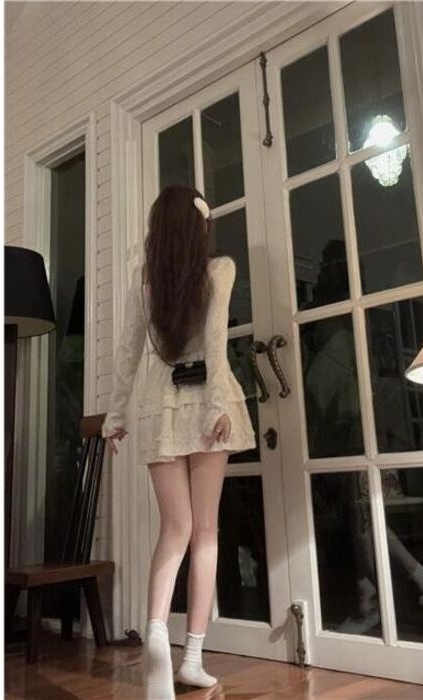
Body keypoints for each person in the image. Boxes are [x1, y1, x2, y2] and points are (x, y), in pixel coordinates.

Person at [101, 184, 256, 699]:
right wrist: (215, 405)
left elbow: (127, 353)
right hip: (207, 404)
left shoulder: (145, 281)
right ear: (199, 225)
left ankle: (155, 634)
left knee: (174, 529)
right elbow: (216, 344)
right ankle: (191, 658)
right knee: (206, 532)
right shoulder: (219, 270)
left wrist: (115, 415)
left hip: (158, 407)